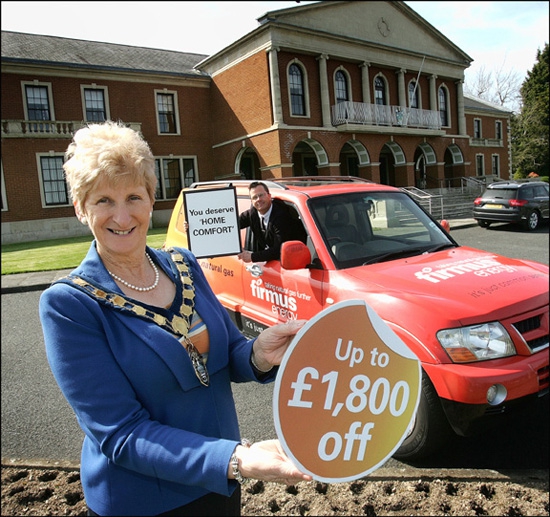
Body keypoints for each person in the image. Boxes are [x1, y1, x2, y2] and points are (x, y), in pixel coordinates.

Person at [39, 121, 312, 517]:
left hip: (220, 486)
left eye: (133, 196)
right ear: (81, 209)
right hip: (145, 502)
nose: (121, 215)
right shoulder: (70, 305)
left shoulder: (181, 264)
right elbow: (121, 434)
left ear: (151, 200)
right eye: (102, 201)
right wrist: (235, 459)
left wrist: (258, 355)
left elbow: (223, 354)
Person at [237, 181, 306, 263]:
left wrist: (252, 257)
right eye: (255, 197)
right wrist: (235, 247)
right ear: (251, 201)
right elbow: (231, 226)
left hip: (293, 262)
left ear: (269, 196)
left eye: (261, 195)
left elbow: (278, 250)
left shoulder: (281, 216)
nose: (258, 199)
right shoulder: (252, 213)